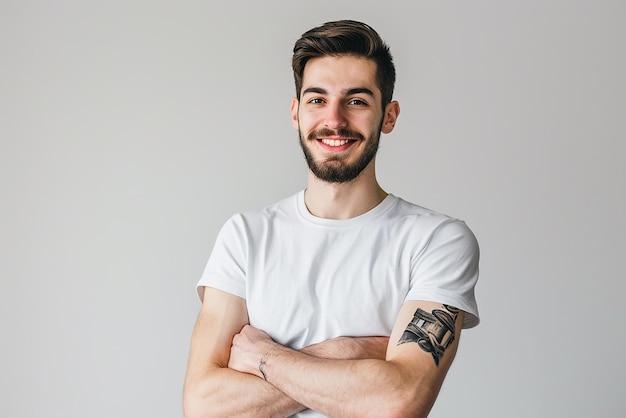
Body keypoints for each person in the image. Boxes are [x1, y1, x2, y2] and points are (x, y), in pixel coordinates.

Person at [183, 19, 479, 418]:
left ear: (388, 116)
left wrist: (262, 358)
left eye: (356, 101)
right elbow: (204, 407)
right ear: (296, 112)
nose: (334, 119)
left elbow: (400, 402)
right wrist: (350, 352)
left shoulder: (437, 240)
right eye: (317, 100)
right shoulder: (245, 236)